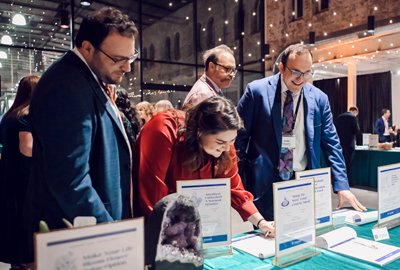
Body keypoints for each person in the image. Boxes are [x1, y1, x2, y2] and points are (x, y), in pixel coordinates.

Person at [22, 7, 137, 263]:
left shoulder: (85, 78)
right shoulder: (66, 86)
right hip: (75, 234)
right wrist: (112, 234)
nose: (128, 67)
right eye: (119, 58)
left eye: (131, 57)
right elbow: (70, 181)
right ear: (87, 48)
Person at [235, 44, 366, 221]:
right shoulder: (257, 91)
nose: (301, 79)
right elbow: (238, 138)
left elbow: (332, 144)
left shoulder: (319, 99)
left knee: (304, 236)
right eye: (295, 72)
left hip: (304, 181)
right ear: (281, 68)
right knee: (269, 240)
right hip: (266, 183)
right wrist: (240, 180)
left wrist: (342, 185)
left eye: (307, 73)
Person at [132, 96, 275, 237]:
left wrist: (261, 222)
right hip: (160, 228)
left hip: (197, 229)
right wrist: (172, 236)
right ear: (200, 131)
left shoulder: (224, 143)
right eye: (220, 142)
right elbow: (152, 194)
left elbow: (235, 189)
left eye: (232, 140)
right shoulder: (164, 128)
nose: (227, 148)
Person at [0, 76, 39, 269]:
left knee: (13, 222)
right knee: (27, 224)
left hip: (9, 176)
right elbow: (28, 148)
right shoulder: (27, 115)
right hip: (26, 179)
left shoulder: (10, 115)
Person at [336, 107, 360, 176]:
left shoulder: (339, 117)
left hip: (340, 143)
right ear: (355, 111)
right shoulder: (353, 118)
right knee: (348, 162)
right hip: (349, 144)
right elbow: (357, 130)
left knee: (340, 162)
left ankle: (338, 178)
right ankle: (347, 180)